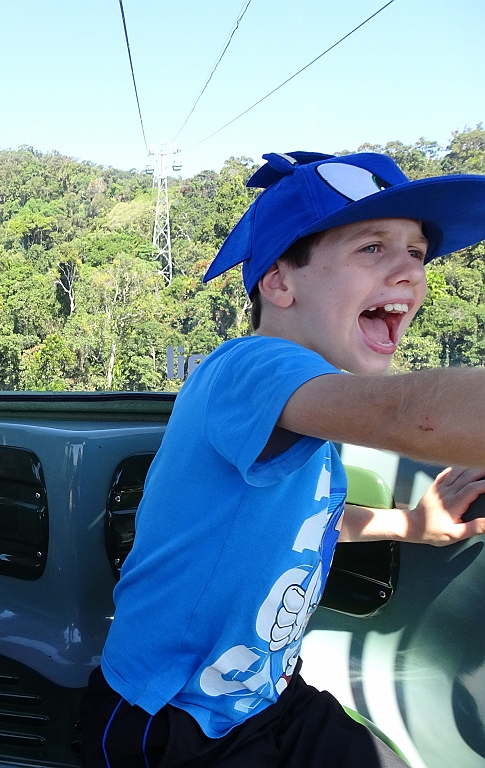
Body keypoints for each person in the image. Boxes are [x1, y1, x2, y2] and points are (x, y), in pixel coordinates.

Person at [81, 150, 485, 767]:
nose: (410, 270)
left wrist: (409, 524)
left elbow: (309, 518)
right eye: (372, 247)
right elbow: (407, 415)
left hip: (267, 694)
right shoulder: (249, 366)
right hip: (170, 714)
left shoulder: (303, 410)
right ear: (278, 281)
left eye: (417, 252)